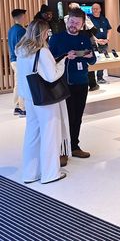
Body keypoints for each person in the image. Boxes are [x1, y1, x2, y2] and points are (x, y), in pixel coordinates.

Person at [16, 19, 70, 184]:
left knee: (32, 135)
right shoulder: (43, 51)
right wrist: (63, 62)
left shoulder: (21, 49)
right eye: (47, 32)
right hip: (45, 100)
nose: (48, 35)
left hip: (29, 97)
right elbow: (51, 75)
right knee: (50, 135)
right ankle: (50, 173)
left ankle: (30, 173)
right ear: (43, 32)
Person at [49, 8, 97, 159]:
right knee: (64, 117)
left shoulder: (84, 38)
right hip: (62, 83)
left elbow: (93, 60)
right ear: (67, 21)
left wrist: (89, 55)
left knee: (77, 116)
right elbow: (50, 61)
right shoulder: (57, 38)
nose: (73, 25)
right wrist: (65, 56)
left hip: (81, 82)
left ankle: (74, 145)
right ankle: (62, 150)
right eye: (71, 21)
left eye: (77, 23)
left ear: (82, 24)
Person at [8, 8, 28, 117]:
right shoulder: (21, 30)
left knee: (17, 83)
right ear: (21, 17)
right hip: (20, 60)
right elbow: (22, 47)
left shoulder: (11, 29)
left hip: (13, 60)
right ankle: (22, 108)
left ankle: (16, 106)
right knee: (22, 84)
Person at [88, 3, 112, 84]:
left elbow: (109, 29)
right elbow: (89, 32)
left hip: (104, 43)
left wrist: (107, 39)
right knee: (93, 61)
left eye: (97, 8)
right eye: (93, 9)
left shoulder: (104, 19)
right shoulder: (89, 19)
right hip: (94, 43)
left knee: (102, 60)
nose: (95, 10)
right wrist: (96, 40)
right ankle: (91, 81)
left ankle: (100, 77)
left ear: (100, 9)